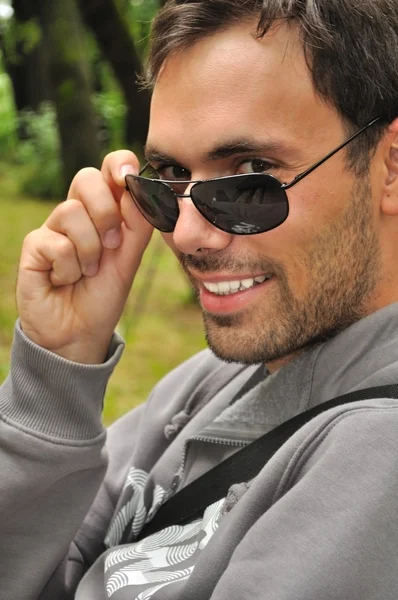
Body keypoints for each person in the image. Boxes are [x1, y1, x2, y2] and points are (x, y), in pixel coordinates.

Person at [2, 0, 398, 598]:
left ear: (390, 167)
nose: (184, 233)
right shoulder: (210, 383)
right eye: (167, 180)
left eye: (250, 174)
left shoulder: (378, 454)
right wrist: (57, 377)